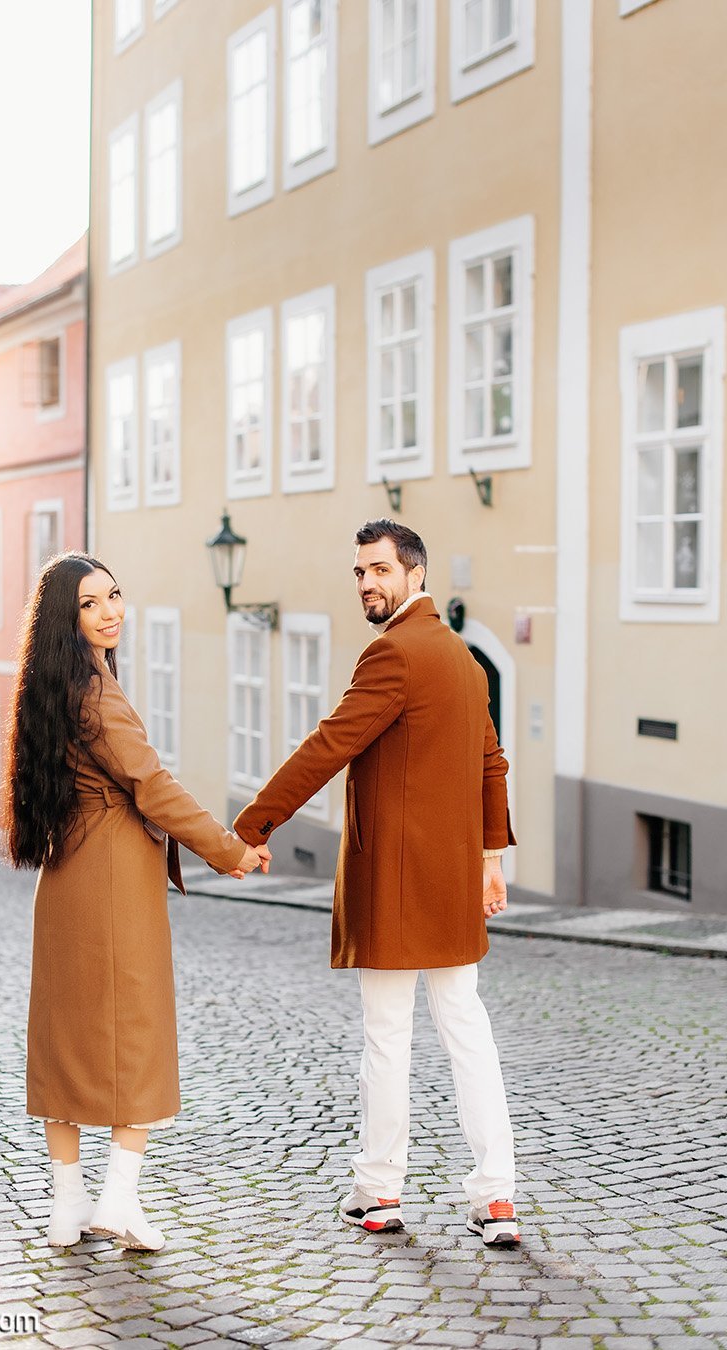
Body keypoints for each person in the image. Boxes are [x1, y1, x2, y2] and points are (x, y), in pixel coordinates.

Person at [234, 519, 520, 1246]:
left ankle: (380, 1193)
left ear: (415, 574)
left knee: (389, 1039)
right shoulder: (465, 660)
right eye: (359, 572)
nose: (367, 582)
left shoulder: (392, 653)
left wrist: (252, 825)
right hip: (453, 880)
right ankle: (496, 1198)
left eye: (380, 570)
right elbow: (493, 765)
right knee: (467, 1035)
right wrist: (490, 859)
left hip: (395, 882)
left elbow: (329, 744)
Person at [3, 552, 270, 1252]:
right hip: (115, 877)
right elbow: (151, 785)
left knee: (65, 1044)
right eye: (91, 604)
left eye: (115, 595)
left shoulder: (50, 687)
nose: (111, 611)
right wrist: (229, 848)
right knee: (140, 1035)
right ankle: (117, 1198)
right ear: (69, 617)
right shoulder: (96, 693)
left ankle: (71, 1208)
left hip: (63, 877)